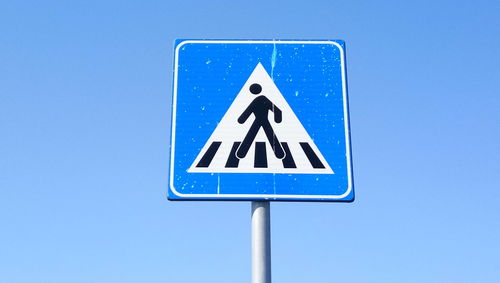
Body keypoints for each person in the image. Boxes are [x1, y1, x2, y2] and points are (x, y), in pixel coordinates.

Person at [236, 83, 285, 159]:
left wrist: (241, 120)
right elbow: (278, 111)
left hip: (259, 120)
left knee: (251, 135)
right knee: (269, 135)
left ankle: (241, 153)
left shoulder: (258, 100)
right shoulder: (262, 100)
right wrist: (277, 120)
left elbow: (247, 112)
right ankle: (279, 153)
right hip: (264, 121)